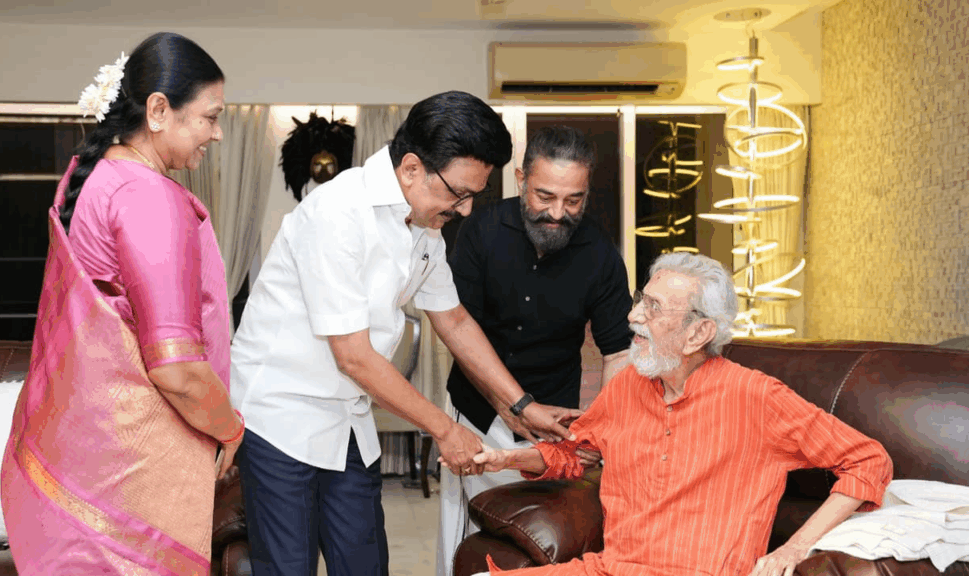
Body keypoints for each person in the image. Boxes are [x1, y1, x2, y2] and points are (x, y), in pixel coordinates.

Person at [230, 91, 582, 576]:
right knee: (288, 568)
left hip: (347, 418)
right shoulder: (337, 213)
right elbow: (353, 356)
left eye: (474, 196)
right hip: (281, 417)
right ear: (412, 168)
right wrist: (445, 428)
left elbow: (453, 319)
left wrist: (520, 404)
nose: (465, 210)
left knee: (365, 564)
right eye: (459, 193)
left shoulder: (424, 227)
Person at [460, 252, 894, 576]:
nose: (633, 316)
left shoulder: (757, 396)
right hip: (609, 569)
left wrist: (794, 548)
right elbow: (576, 453)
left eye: (652, 308)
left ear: (698, 332)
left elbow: (867, 460)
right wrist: (505, 458)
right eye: (640, 300)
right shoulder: (628, 385)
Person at [0, 32, 243, 575]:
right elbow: (177, 368)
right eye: (210, 117)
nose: (218, 133)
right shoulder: (148, 196)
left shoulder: (97, 177)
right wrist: (230, 427)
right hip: (131, 468)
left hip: (91, 457)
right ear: (158, 111)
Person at [438, 125, 633, 576]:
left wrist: (599, 432)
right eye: (545, 196)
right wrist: (509, 405)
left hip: (553, 418)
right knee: (468, 533)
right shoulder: (481, 229)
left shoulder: (601, 254)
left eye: (573, 200)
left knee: (541, 538)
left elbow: (618, 353)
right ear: (522, 178)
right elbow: (457, 329)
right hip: (477, 408)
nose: (558, 213)